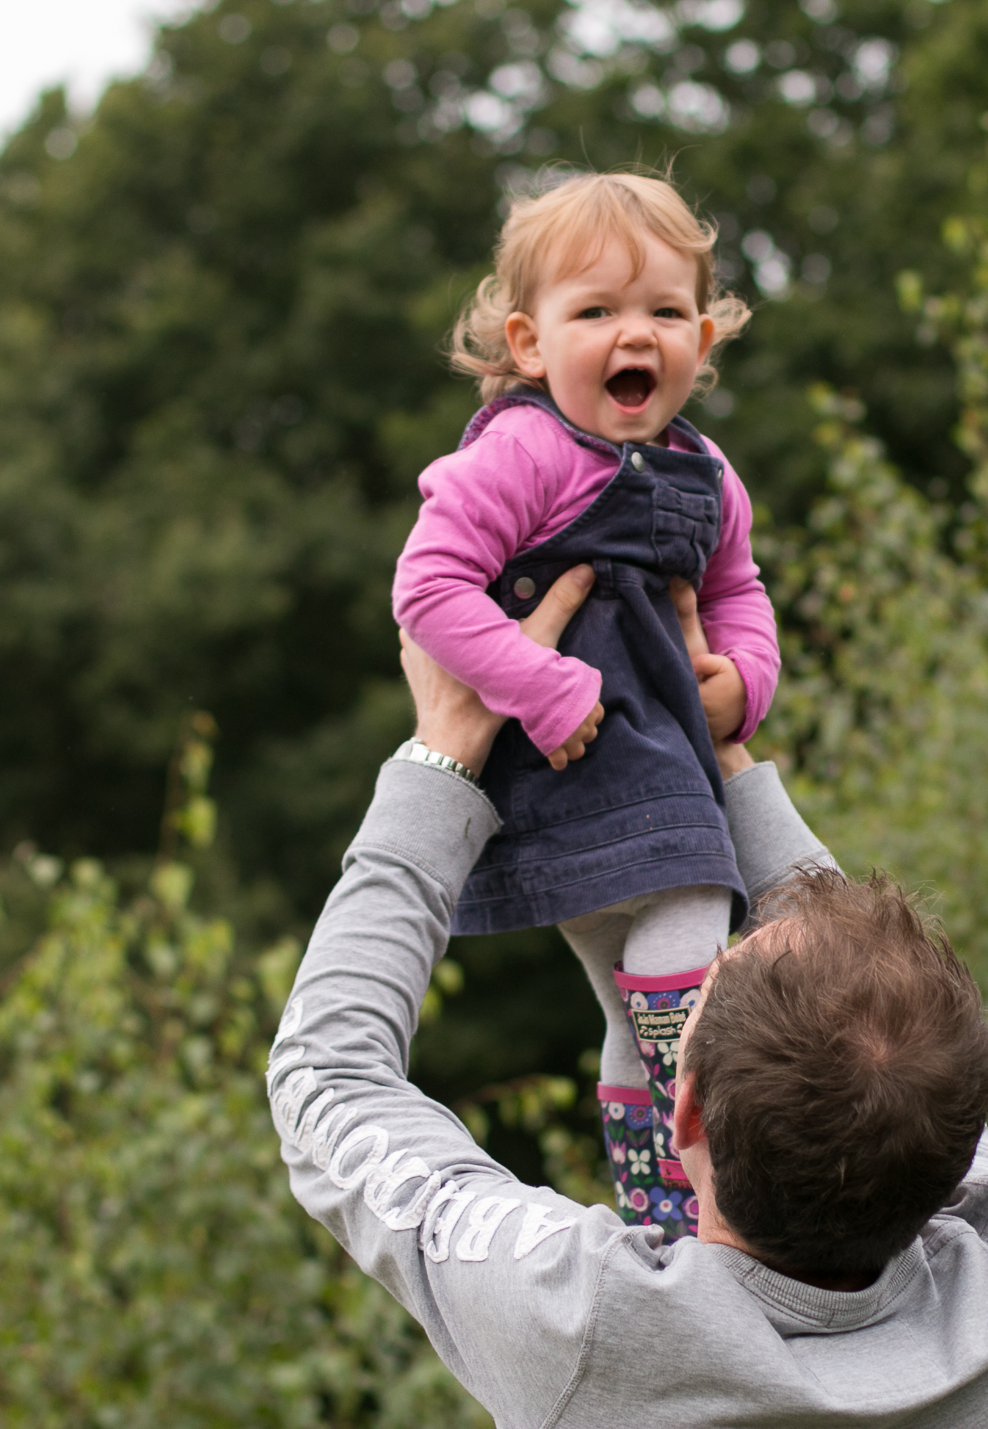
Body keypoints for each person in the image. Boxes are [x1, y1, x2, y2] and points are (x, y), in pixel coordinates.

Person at [271, 566, 988, 1427]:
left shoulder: (595, 1330)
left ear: (684, 1110)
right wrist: (719, 756)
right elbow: (894, 1036)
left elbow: (326, 1078)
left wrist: (442, 751)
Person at [390, 169, 777, 1238]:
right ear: (528, 343)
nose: (632, 335)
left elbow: (739, 590)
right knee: (694, 941)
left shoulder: (707, 471)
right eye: (594, 311)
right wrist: (548, 688)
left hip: (663, 754)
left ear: (700, 336)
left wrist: (743, 679)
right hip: (575, 767)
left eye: (662, 311)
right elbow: (424, 589)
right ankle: (716, 1150)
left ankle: (657, 1204)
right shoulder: (523, 451)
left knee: (627, 996)